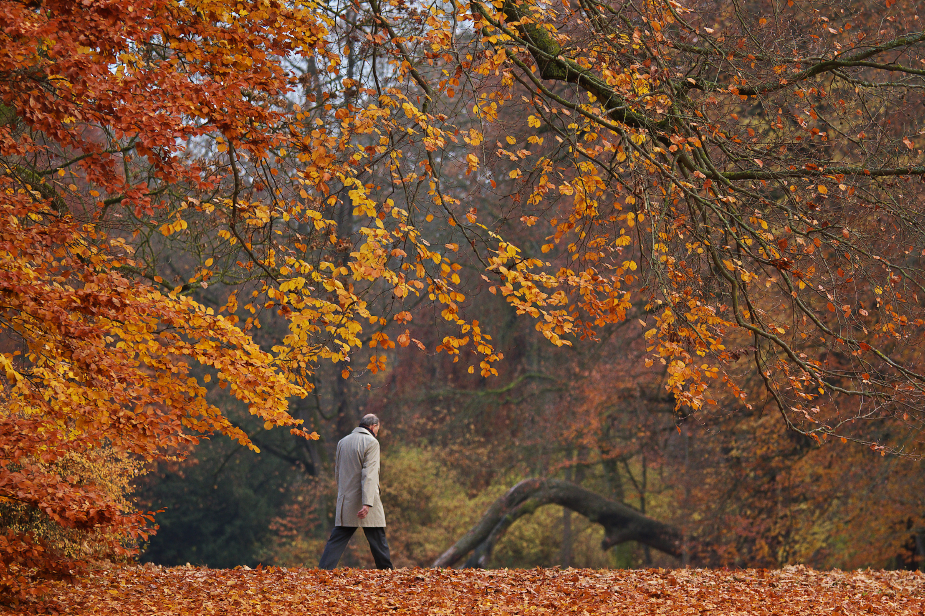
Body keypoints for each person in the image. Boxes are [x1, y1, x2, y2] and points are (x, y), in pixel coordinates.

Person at [318, 414, 393, 569]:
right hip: (366, 498)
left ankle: (323, 570)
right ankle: (387, 573)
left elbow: (338, 472)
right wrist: (367, 503)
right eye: (378, 428)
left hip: (347, 499)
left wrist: (342, 495)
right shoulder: (372, 442)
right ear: (373, 426)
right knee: (377, 538)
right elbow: (369, 474)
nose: (377, 431)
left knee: (338, 537)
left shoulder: (342, 442)